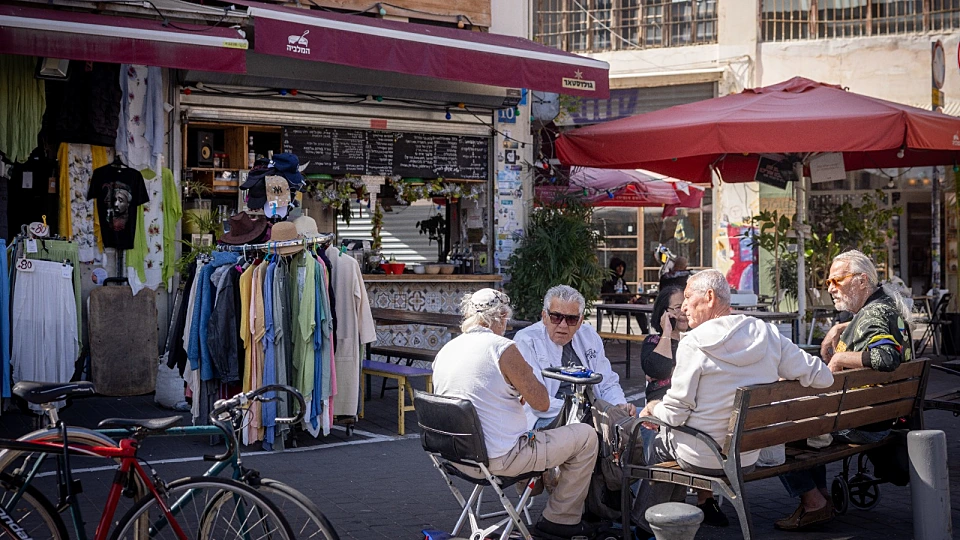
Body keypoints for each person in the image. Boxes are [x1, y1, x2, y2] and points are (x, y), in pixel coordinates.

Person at [633, 270, 834, 531]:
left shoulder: (693, 343)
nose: (683, 306)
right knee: (669, 439)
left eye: (688, 297)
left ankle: (646, 525)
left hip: (702, 455)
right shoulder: (767, 333)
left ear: (709, 297)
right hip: (746, 456)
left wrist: (653, 408)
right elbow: (823, 378)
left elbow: (675, 414)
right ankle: (674, 521)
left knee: (656, 440)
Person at [432, 289, 600, 540]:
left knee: (543, 431)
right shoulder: (503, 348)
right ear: (501, 317)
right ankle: (561, 520)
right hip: (500, 458)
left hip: (455, 457)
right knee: (586, 436)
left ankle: (541, 485)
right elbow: (542, 403)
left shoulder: (447, 349)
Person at [776, 250, 913, 531]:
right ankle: (821, 498)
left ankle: (814, 502)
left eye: (837, 280)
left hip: (863, 423)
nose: (830, 288)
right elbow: (877, 323)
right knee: (811, 422)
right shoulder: (886, 304)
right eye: (828, 281)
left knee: (779, 431)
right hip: (883, 415)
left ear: (862, 281)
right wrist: (842, 326)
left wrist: (839, 358)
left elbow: (887, 357)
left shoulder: (872, 315)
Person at [636, 285, 726, 527]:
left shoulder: (697, 341)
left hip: (688, 418)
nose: (684, 312)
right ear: (664, 313)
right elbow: (658, 369)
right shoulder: (653, 342)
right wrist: (668, 332)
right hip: (657, 418)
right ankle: (656, 519)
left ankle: (693, 505)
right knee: (664, 448)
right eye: (677, 308)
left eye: (685, 306)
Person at [514, 285, 635, 430]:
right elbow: (538, 401)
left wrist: (618, 406)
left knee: (639, 423)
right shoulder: (527, 340)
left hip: (592, 413)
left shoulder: (588, 335)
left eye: (571, 319)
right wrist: (586, 412)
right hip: (546, 416)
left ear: (580, 321)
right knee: (589, 430)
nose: (563, 325)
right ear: (544, 317)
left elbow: (607, 381)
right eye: (556, 317)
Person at [600, 257, 649, 334]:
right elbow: (609, 295)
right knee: (637, 310)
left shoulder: (622, 281)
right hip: (615, 306)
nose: (621, 269)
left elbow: (628, 293)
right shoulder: (607, 281)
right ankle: (645, 332)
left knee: (640, 309)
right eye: (618, 266)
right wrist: (626, 300)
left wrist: (632, 298)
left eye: (622, 267)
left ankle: (646, 332)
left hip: (627, 305)